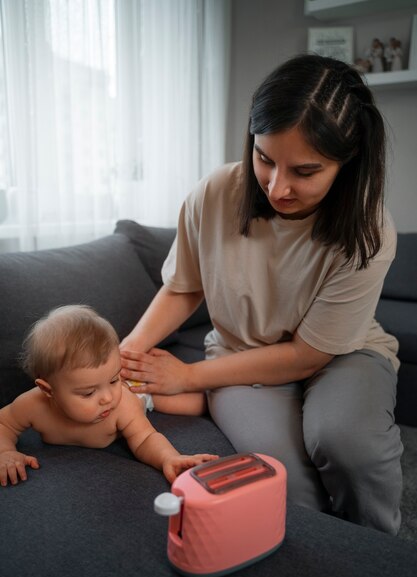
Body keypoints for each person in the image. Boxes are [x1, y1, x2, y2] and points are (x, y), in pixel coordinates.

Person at [120, 53, 403, 535]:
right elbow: (182, 287)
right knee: (283, 478)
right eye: (265, 159)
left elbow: (306, 355)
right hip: (239, 356)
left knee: (346, 443)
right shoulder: (216, 193)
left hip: (341, 354)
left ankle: (382, 559)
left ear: (346, 162)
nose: (277, 187)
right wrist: (123, 355)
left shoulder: (369, 230)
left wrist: (188, 376)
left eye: (304, 171)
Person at [0, 305, 216, 487]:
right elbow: (4, 423)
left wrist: (170, 458)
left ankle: (218, 388)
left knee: (201, 405)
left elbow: (145, 438)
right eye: (88, 392)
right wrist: (5, 451)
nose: (108, 398)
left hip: (136, 390)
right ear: (48, 390)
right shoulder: (32, 405)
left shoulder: (122, 402)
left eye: (113, 380)